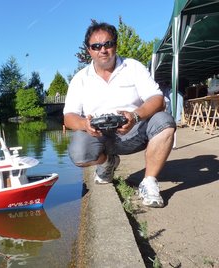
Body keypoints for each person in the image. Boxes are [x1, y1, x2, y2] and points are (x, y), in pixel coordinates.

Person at [63, 21, 176, 208]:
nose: (103, 50)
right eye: (96, 46)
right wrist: (85, 125)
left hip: (134, 130)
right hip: (99, 135)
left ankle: (149, 182)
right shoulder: (80, 79)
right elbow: (69, 116)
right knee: (78, 153)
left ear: (116, 45)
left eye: (108, 44)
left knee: (164, 121)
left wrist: (136, 116)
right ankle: (108, 162)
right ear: (89, 50)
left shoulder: (133, 67)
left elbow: (157, 99)